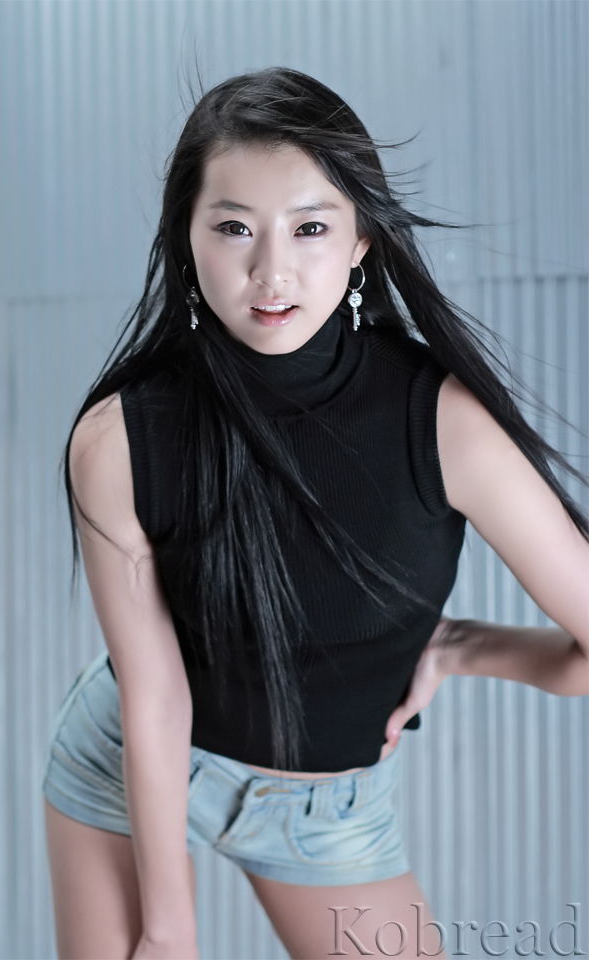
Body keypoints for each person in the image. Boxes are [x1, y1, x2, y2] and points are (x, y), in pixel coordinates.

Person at [41, 68, 588, 960]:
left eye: (309, 228)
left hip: (323, 812)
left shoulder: (444, 426)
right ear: (186, 237)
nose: (271, 271)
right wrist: (167, 930)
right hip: (127, 764)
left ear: (362, 239)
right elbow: (153, 693)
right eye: (232, 229)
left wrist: (467, 648)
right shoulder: (118, 438)